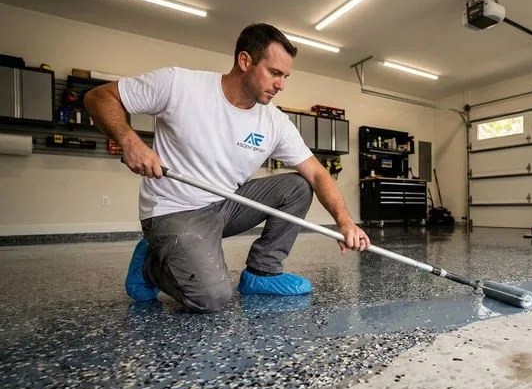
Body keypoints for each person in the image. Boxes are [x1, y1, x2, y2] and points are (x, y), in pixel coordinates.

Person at [84, 23, 370, 312]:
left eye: (285, 76)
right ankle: (151, 263)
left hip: (226, 204)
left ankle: (262, 272)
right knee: (211, 298)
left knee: (298, 186)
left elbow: (318, 174)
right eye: (274, 73)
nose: (281, 84)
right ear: (245, 61)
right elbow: (98, 97)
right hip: (175, 210)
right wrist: (129, 141)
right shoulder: (180, 85)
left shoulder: (274, 121)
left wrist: (345, 222)